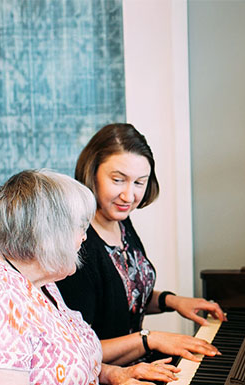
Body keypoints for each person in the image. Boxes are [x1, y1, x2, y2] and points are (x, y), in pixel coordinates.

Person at [0, 170, 177, 385]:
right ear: (46, 235)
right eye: (79, 227)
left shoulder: (33, 270)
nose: (84, 237)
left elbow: (57, 362)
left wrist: (114, 374)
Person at [56, 123, 226, 366]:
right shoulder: (77, 245)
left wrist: (172, 301)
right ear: (91, 174)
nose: (129, 196)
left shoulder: (121, 222)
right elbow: (78, 352)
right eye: (118, 180)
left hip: (139, 366)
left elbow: (128, 294)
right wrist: (150, 339)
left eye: (139, 183)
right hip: (106, 381)